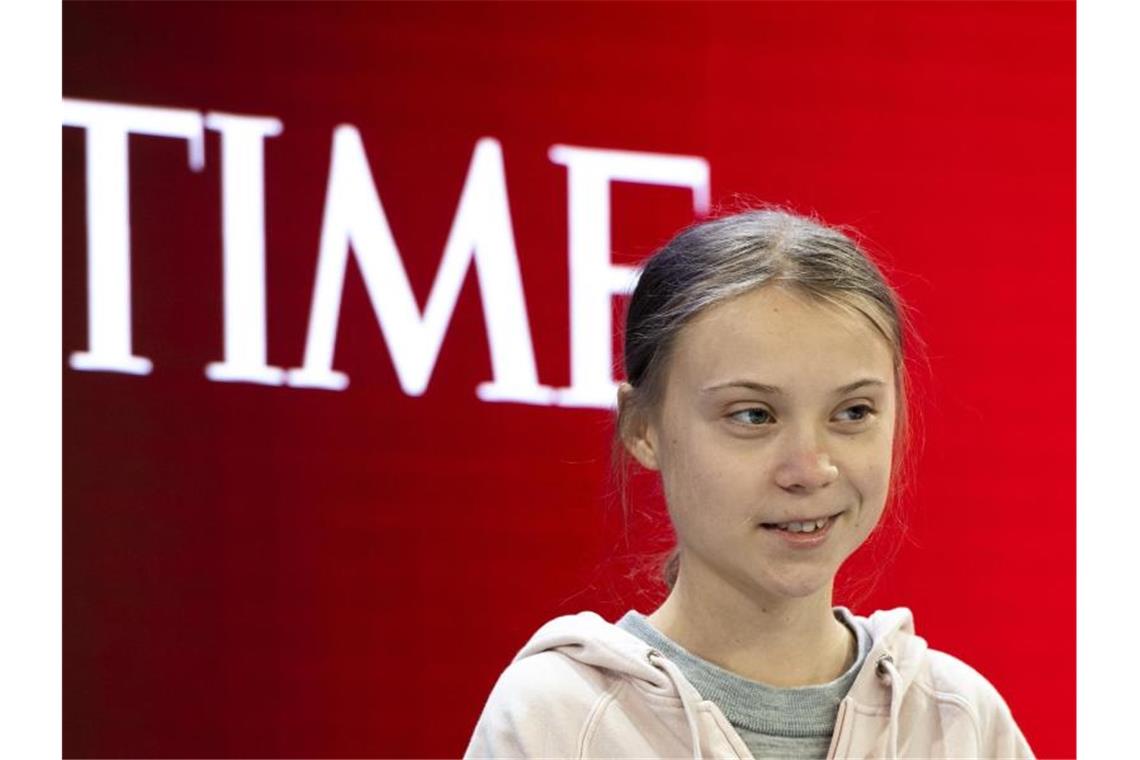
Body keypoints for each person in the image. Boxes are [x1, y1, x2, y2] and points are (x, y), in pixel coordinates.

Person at [464, 208, 1033, 759]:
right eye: (754, 416)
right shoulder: (557, 720)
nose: (811, 469)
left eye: (854, 412)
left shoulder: (959, 721)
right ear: (643, 427)